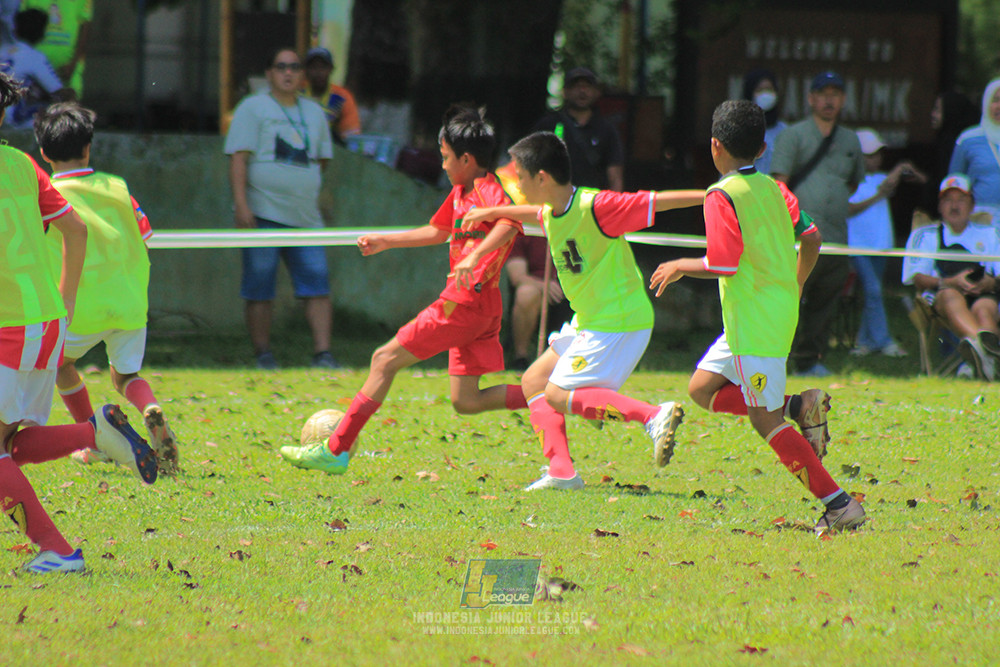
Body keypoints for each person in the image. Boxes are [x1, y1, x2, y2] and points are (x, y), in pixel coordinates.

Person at [649, 100, 865, 535]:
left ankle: (839, 505)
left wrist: (679, 265)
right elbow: (813, 238)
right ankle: (800, 406)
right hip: (766, 315)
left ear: (714, 147)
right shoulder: (774, 188)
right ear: (764, 147)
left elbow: (725, 264)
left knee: (763, 420)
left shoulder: (720, 194)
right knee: (702, 389)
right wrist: (797, 283)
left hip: (755, 323)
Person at [279, 105, 528, 475]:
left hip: (463, 303)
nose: (442, 165)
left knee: (384, 359)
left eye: (445, 158)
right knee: (468, 401)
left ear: (465, 158)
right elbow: (438, 231)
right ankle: (554, 395)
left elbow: (509, 223)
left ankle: (336, 449)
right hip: (481, 305)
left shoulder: (487, 189)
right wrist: (386, 240)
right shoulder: (461, 191)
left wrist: (474, 256)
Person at [462, 131, 705, 490]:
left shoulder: (598, 208)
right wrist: (494, 211)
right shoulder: (551, 212)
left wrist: (716, 197)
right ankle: (561, 472)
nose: (519, 186)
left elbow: (657, 201)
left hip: (619, 321)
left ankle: (653, 416)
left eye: (522, 178)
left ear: (542, 178)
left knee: (558, 395)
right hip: (592, 319)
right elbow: (531, 213)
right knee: (533, 382)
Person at [0, 72, 157, 574]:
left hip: (9, 326)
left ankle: (59, 551)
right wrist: (63, 305)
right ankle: (95, 435)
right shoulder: (22, 166)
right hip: (42, 322)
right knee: (8, 445)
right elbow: (75, 229)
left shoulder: (28, 164)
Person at [33, 102, 180, 475]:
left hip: (79, 305)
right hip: (129, 302)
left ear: (44, 152)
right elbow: (144, 236)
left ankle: (95, 438)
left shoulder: (48, 194)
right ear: (89, 147)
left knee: (61, 366)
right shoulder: (118, 187)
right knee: (125, 376)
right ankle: (148, 406)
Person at [225, 47, 338, 370]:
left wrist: (302, 185)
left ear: (302, 76)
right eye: (281, 67)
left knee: (317, 283)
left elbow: (323, 159)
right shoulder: (252, 108)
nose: (288, 72)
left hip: (306, 218)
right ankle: (263, 354)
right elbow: (238, 158)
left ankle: (323, 354)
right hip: (262, 214)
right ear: (270, 74)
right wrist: (242, 205)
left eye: (294, 67)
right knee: (260, 285)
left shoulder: (314, 112)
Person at [772, 71, 866, 377]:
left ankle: (809, 360)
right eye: (822, 93)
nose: (829, 99)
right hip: (798, 239)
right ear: (811, 98)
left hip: (837, 237)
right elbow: (779, 185)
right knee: (788, 300)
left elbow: (852, 184)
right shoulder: (793, 135)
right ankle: (775, 358)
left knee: (824, 303)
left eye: (835, 94)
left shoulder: (851, 139)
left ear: (843, 100)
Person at [902, 174, 1000, 381]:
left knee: (985, 308)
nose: (954, 206)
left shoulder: (991, 234)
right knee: (950, 295)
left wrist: (990, 282)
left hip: (983, 294)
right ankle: (985, 357)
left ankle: (978, 362)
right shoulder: (926, 235)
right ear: (939, 206)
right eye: (948, 200)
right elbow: (917, 278)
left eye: (961, 200)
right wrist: (950, 282)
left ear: (972, 205)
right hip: (942, 298)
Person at [846, 128, 927, 357]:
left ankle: (864, 342)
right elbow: (849, 209)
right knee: (873, 290)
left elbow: (920, 180)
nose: (875, 159)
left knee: (873, 293)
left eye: (877, 154)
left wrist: (904, 168)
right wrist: (878, 195)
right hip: (857, 246)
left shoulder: (882, 178)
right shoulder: (850, 181)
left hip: (882, 245)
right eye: (869, 155)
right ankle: (884, 341)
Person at [533, 67, 624, 190]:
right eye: (576, 86)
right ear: (565, 92)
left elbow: (615, 174)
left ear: (596, 92)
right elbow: (531, 165)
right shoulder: (548, 125)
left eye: (587, 86)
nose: (582, 91)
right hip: (554, 200)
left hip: (591, 201)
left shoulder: (606, 129)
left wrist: (615, 205)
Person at [0, 9, 73, 130]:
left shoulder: (3, 49)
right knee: (52, 110)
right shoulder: (33, 56)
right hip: (8, 119)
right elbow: (59, 92)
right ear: (41, 32)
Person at [948, 78, 1000, 223]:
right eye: (995, 100)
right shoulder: (968, 139)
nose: (999, 106)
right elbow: (954, 182)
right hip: (979, 217)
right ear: (986, 103)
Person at [21, 0, 89, 97]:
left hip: (67, 76)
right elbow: (20, 20)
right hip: (32, 80)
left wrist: (73, 64)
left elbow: (85, 24)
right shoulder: (32, 58)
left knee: (66, 108)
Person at [302, 46, 361, 146]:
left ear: (331, 69)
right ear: (306, 70)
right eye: (313, 67)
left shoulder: (342, 97)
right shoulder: (297, 93)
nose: (318, 73)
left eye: (323, 67)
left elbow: (351, 136)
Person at [741, 68, 785, 174]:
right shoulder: (740, 130)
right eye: (760, 90)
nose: (765, 94)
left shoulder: (784, 131)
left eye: (769, 89)